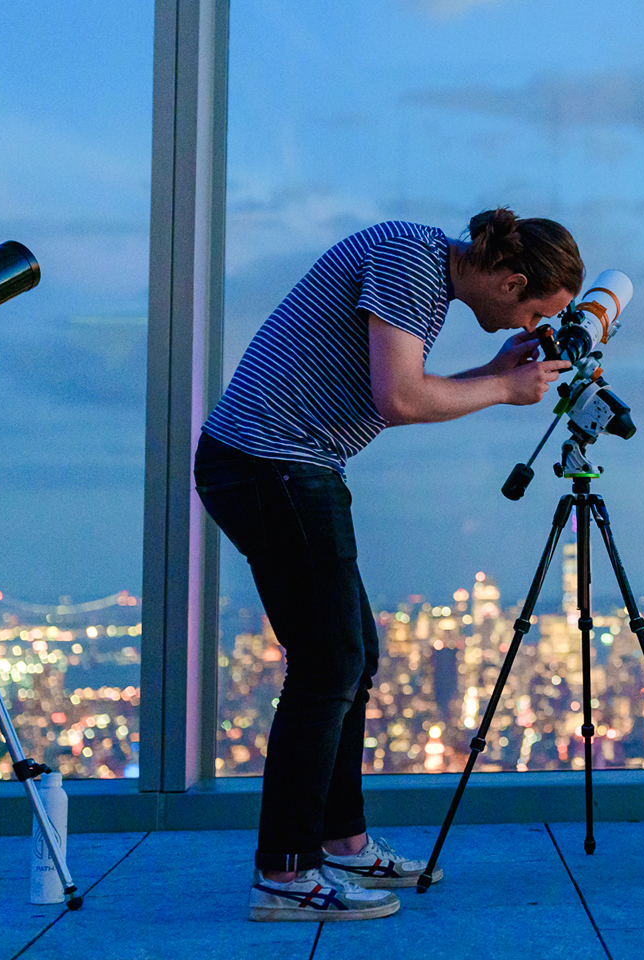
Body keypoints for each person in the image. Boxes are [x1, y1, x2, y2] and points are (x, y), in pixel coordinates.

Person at [194, 209, 579, 921]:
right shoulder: (410, 260)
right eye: (535, 312)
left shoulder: (424, 267)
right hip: (271, 463)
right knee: (329, 662)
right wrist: (502, 388)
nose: (533, 329)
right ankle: (284, 875)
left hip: (278, 464)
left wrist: (487, 373)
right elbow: (398, 396)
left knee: (352, 656)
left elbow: (402, 385)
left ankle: (341, 843)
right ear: (512, 280)